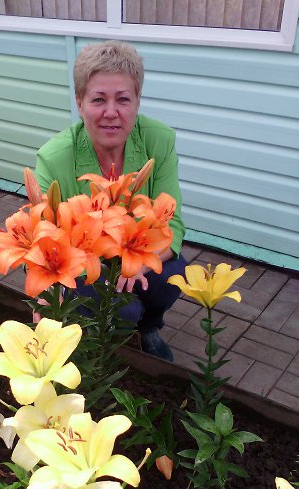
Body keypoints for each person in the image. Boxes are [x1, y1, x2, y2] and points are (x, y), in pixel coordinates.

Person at [35, 40, 187, 362]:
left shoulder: (159, 141)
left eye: (123, 99)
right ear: (80, 103)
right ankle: (102, 343)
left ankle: (149, 328)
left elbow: (172, 223)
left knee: (173, 275)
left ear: (137, 101)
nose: (111, 112)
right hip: (86, 263)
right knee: (123, 308)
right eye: (98, 99)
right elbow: (42, 235)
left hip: (138, 254)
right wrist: (44, 294)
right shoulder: (53, 158)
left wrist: (136, 265)